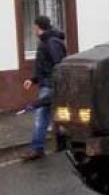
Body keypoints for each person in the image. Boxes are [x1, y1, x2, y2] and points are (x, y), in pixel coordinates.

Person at [21, 16, 67, 161]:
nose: (33, 29)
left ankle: (37, 148)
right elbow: (44, 66)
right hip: (47, 83)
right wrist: (32, 79)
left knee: (41, 117)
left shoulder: (51, 42)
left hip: (50, 85)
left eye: (34, 27)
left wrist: (55, 84)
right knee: (57, 116)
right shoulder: (47, 41)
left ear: (38, 27)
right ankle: (62, 145)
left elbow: (58, 65)